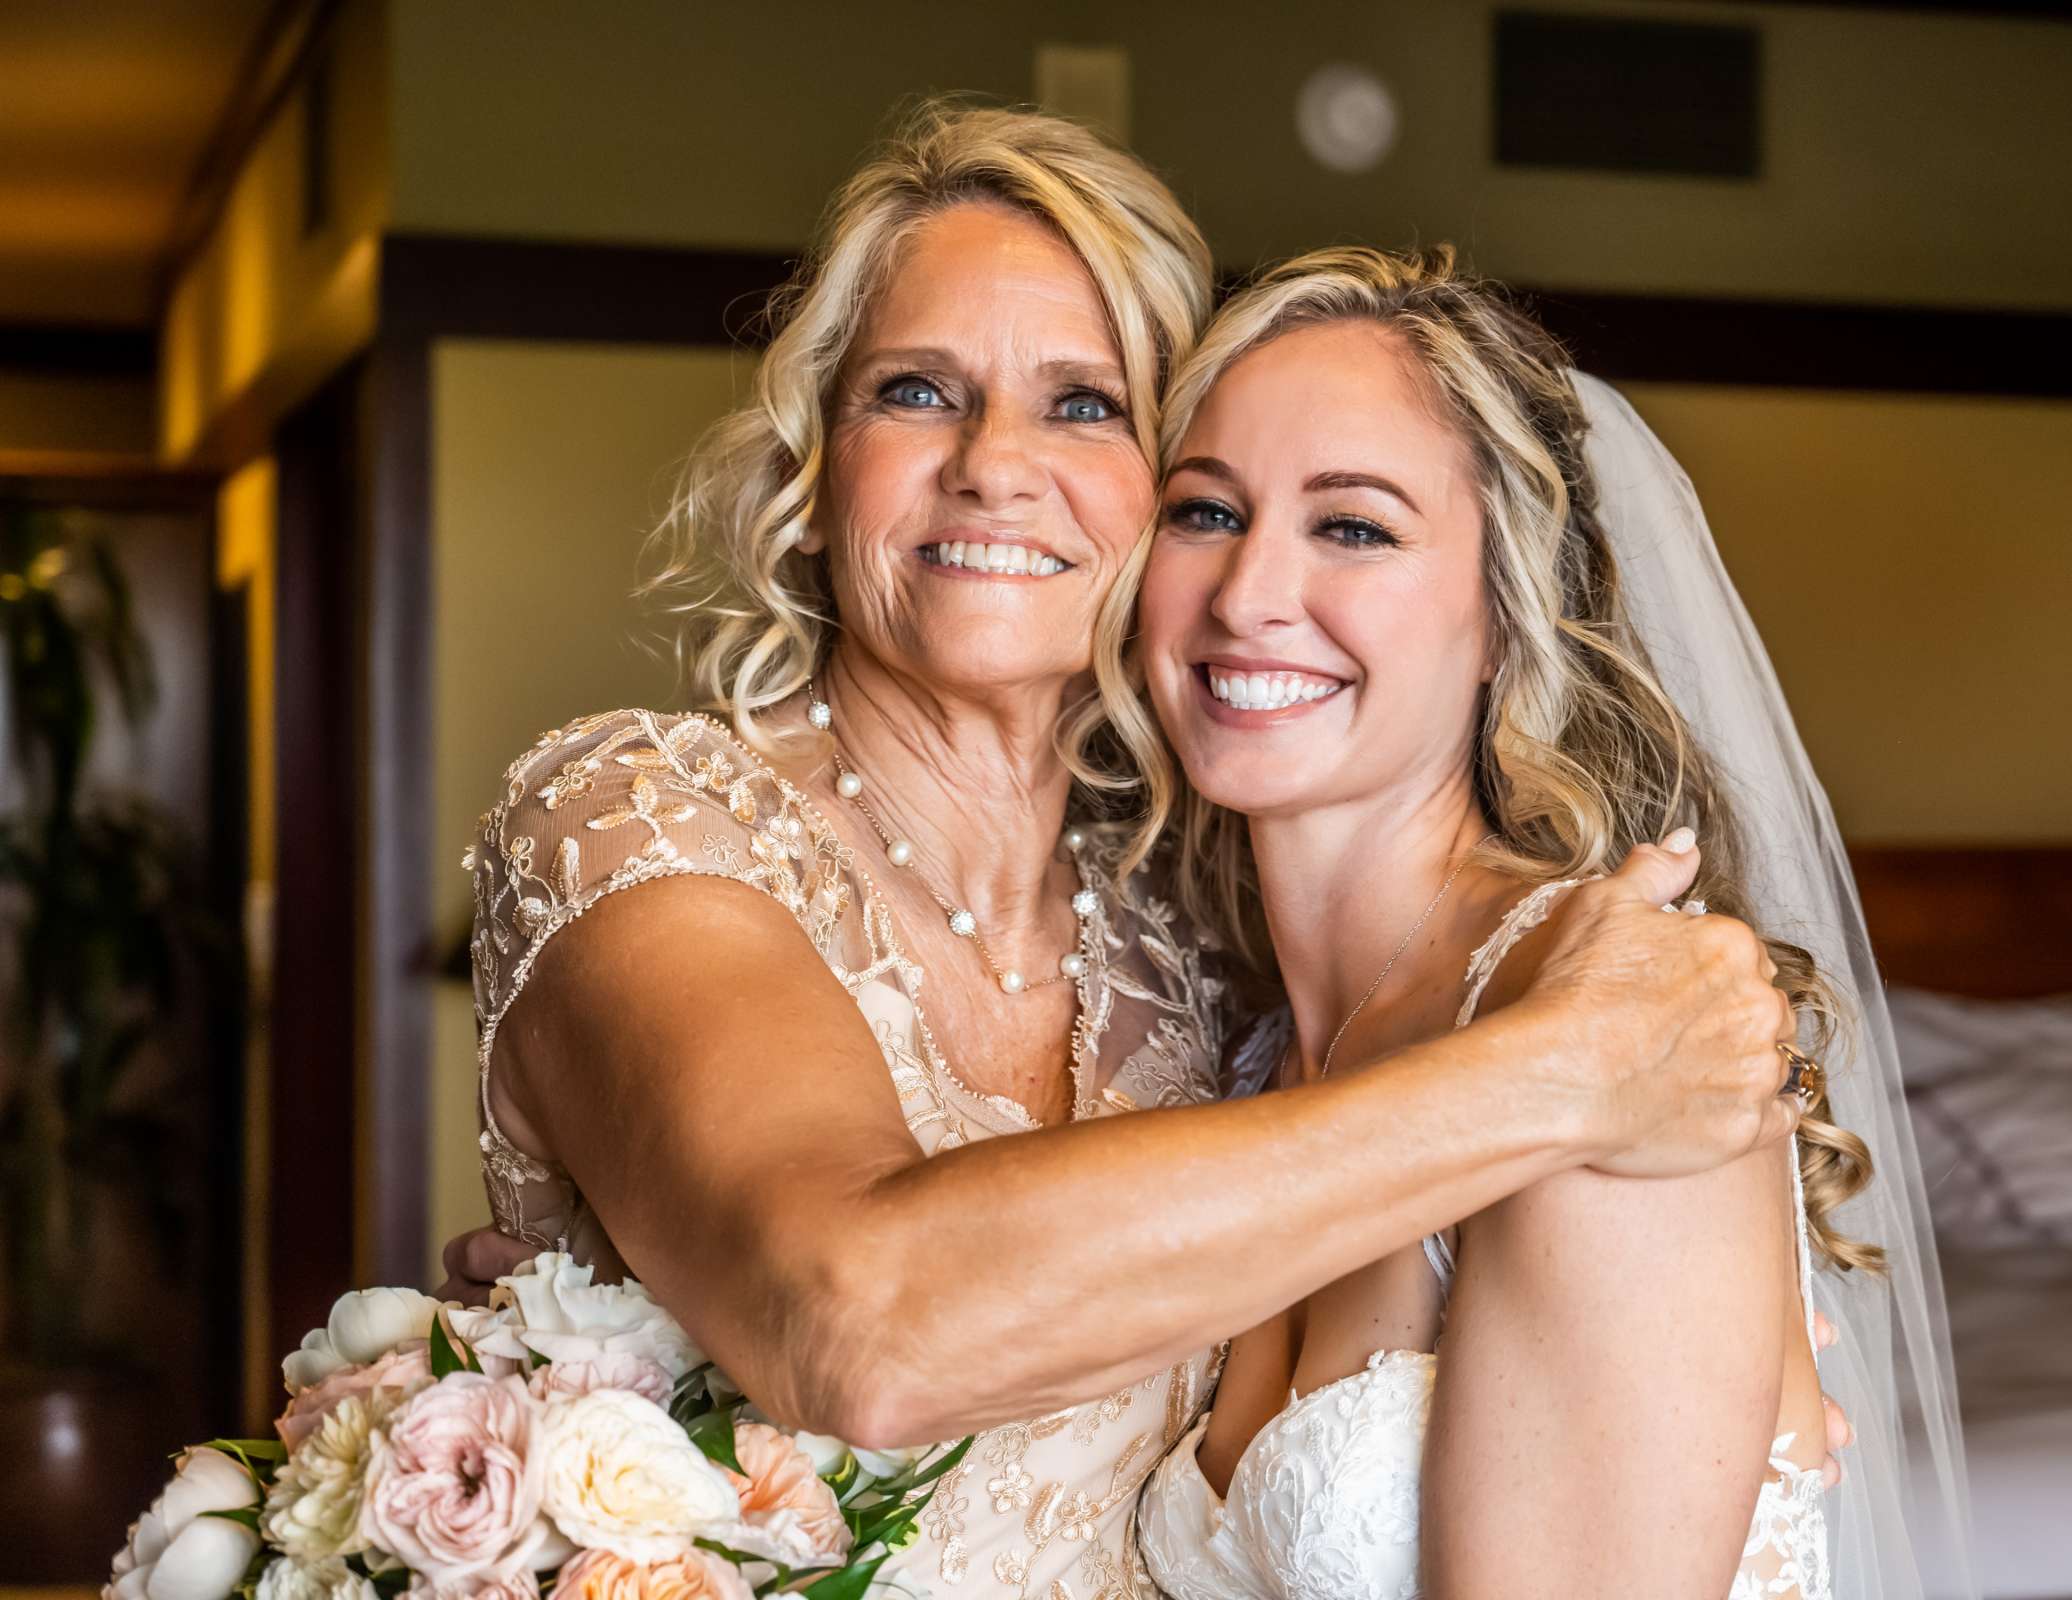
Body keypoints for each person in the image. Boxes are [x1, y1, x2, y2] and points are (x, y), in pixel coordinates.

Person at [443, 104, 1816, 1597]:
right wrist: (1559, 1076)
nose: (994, 466)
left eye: (1087, 407)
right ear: (818, 460)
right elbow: (856, 1324)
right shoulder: (639, 813)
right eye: (915, 391)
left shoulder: (1197, 946)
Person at [1112, 249, 1972, 1598]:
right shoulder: (1245, 1052)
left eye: (1353, 527)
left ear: (1507, 613)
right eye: (1204, 512)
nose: (1246, 596)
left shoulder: (1621, 1034)